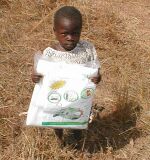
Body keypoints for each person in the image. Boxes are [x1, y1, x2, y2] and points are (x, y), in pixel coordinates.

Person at [31, 6, 101, 146]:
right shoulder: (49, 53)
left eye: (75, 33)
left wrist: (96, 77)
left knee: (78, 117)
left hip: (79, 97)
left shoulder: (87, 49)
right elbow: (40, 75)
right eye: (65, 34)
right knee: (57, 120)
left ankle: (77, 136)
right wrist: (36, 77)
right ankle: (60, 139)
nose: (70, 38)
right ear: (55, 32)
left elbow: (96, 71)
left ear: (81, 31)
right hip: (57, 99)